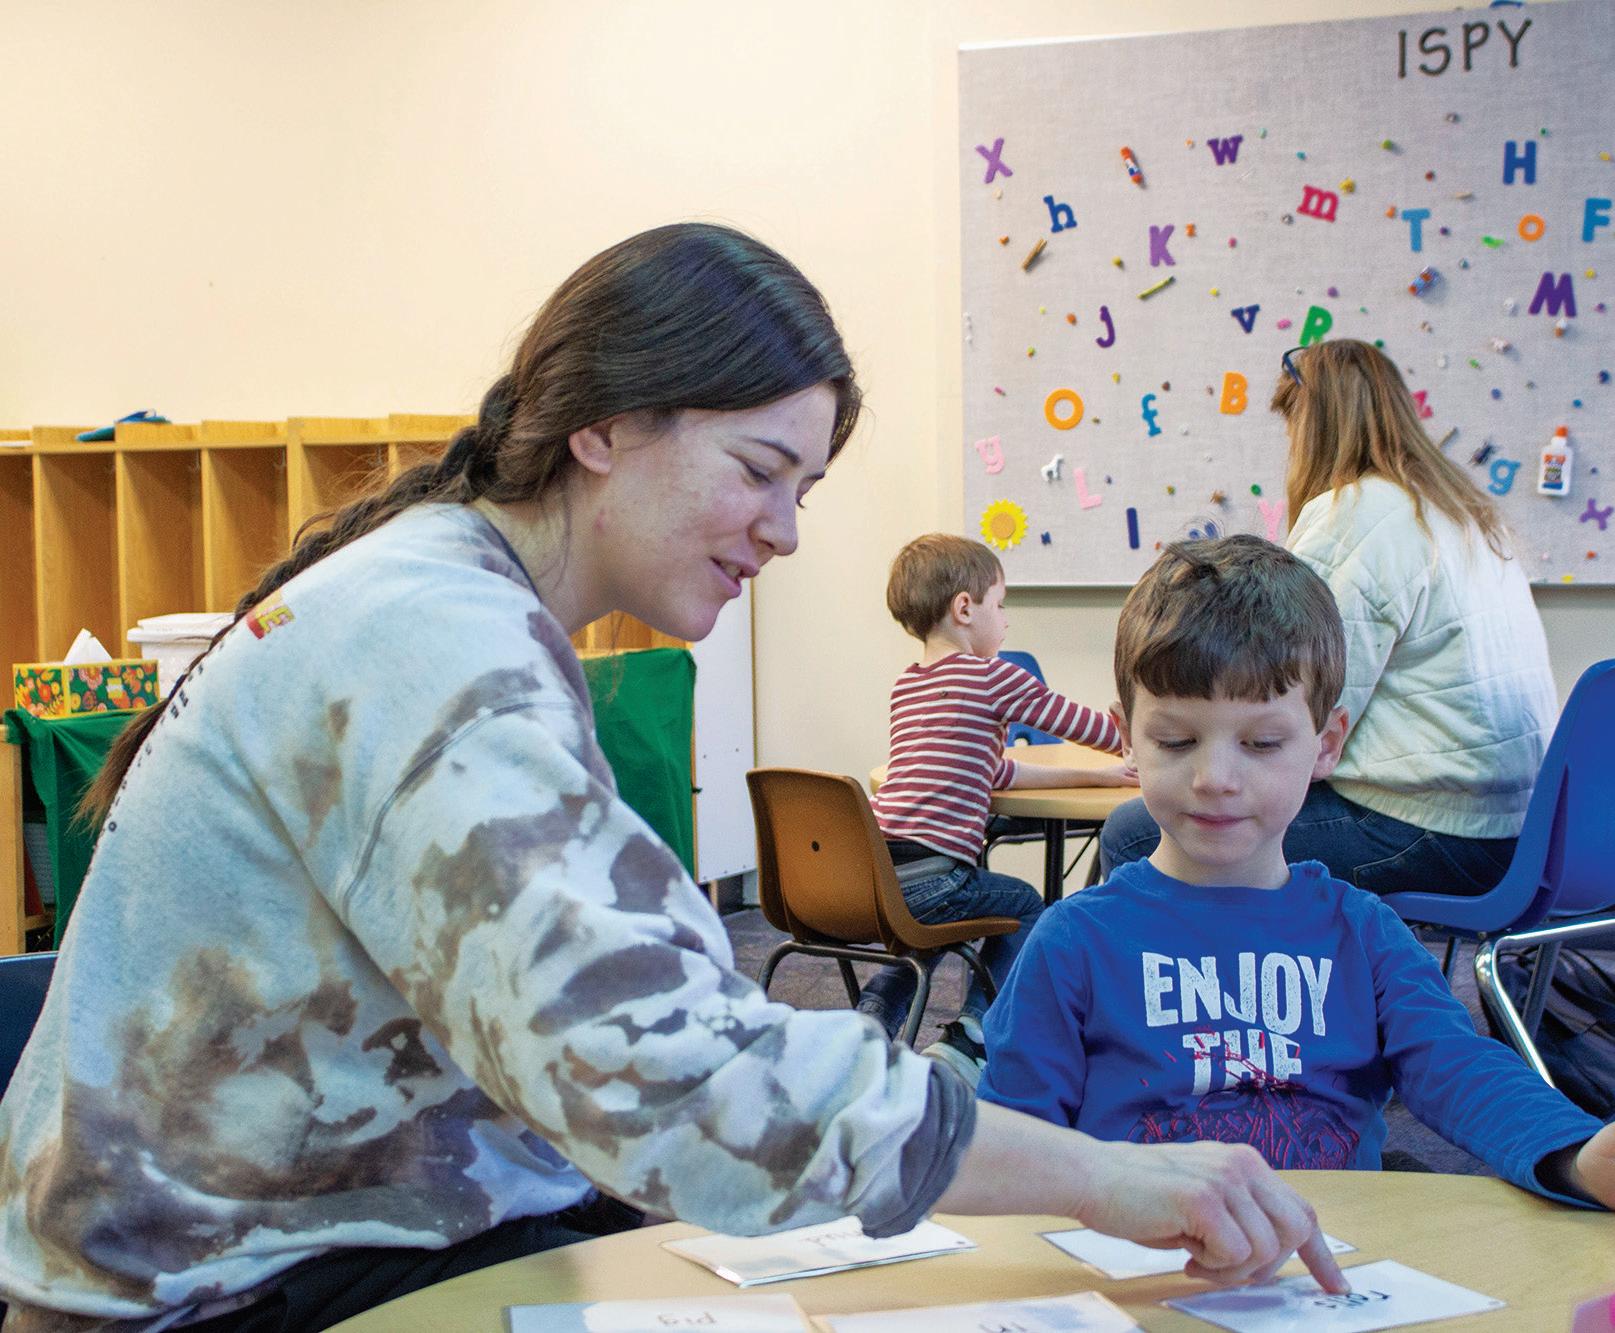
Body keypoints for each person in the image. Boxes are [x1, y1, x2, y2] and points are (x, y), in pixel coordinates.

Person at [0, 226, 1347, 1333]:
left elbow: (632, 1019)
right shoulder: (435, 640)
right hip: (230, 1295)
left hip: (330, 1241)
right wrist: (1102, 1176)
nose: (785, 530)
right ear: (605, 427)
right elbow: (674, 1075)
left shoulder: (452, 597)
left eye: (802, 488)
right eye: (760, 470)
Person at [981, 536, 1615, 1210]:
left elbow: (1457, 1067)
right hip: (1145, 1255)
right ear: (1128, 737)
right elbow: (1012, 1145)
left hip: (1329, 1254)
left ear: (1326, 744)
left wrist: (1576, 1157)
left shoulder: (1362, 932)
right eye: (1175, 740)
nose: (1214, 778)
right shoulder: (1073, 940)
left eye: (1261, 743)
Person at [1100, 338, 1558, 895]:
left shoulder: (1358, 512)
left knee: (1133, 834)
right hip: (1520, 831)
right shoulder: (1466, 515)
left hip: (1432, 830)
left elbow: (1298, 701)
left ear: (1310, 427)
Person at [861, 534, 1135, 1083]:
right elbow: (1080, 724)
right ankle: (972, 1034)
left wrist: (1101, 777)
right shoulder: (992, 676)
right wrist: (1138, 737)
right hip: (937, 874)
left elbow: (991, 772)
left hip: (882, 872)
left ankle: (868, 1021)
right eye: (1000, 605)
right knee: (1028, 906)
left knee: (930, 927)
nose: (1006, 621)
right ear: (965, 608)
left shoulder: (907, 686)